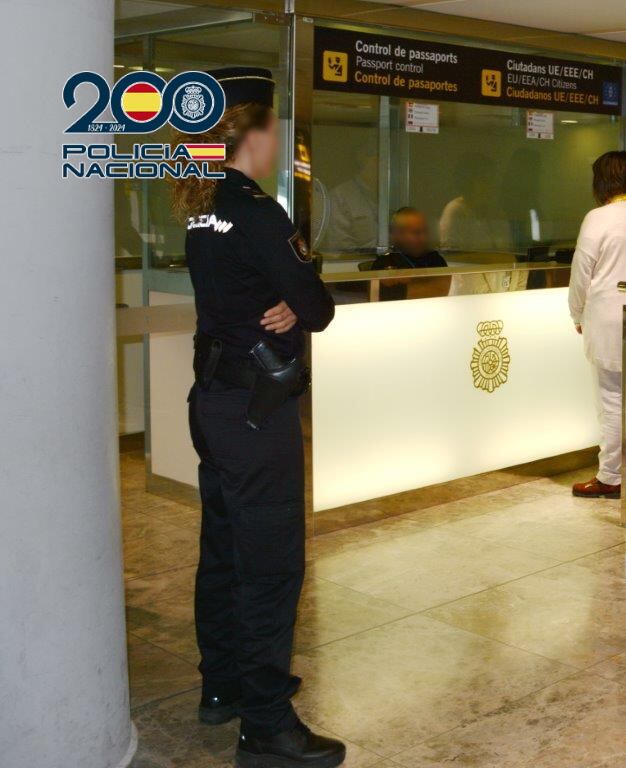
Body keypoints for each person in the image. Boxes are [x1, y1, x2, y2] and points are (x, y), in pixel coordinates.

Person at [171, 67, 345, 768]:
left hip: (213, 402)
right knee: (270, 563)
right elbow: (320, 305)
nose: (279, 142)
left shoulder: (201, 207)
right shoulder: (256, 211)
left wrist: (288, 301)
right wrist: (297, 302)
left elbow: (261, 298)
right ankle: (267, 724)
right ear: (251, 132)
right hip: (256, 410)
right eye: (274, 128)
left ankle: (223, 687)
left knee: (223, 548)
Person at [569, 151, 626, 499]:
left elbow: (581, 274)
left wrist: (576, 314)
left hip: (608, 317)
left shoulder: (597, 219)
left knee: (610, 399)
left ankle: (610, 477)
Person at [370, 207, 450, 300]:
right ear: (398, 234)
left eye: (425, 231)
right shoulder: (384, 263)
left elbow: (446, 290)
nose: (423, 238)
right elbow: (388, 296)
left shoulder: (435, 259)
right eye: (416, 233)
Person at [326, 140, 378, 251]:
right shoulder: (339, 196)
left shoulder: (391, 194)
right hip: (355, 263)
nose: (381, 166)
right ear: (362, 161)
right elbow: (340, 245)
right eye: (376, 161)